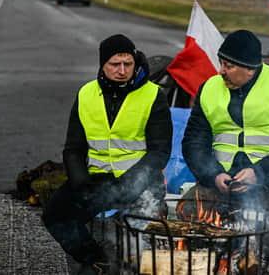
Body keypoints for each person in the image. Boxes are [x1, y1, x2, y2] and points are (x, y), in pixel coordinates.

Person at [42, 34, 172, 275]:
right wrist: (80, 182)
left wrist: (129, 185)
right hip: (97, 180)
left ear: (135, 63)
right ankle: (97, 261)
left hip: (139, 182)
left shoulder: (154, 95)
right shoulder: (86, 94)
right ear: (102, 64)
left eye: (128, 64)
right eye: (115, 64)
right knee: (55, 215)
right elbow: (73, 148)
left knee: (138, 242)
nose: (122, 70)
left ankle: (133, 266)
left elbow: (159, 152)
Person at [182, 29, 269, 254]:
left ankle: (245, 257)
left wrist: (259, 173)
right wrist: (214, 175)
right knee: (187, 212)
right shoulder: (209, 88)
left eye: (229, 66)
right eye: (221, 63)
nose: (221, 71)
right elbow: (193, 143)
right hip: (222, 183)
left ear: (250, 69)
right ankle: (228, 256)